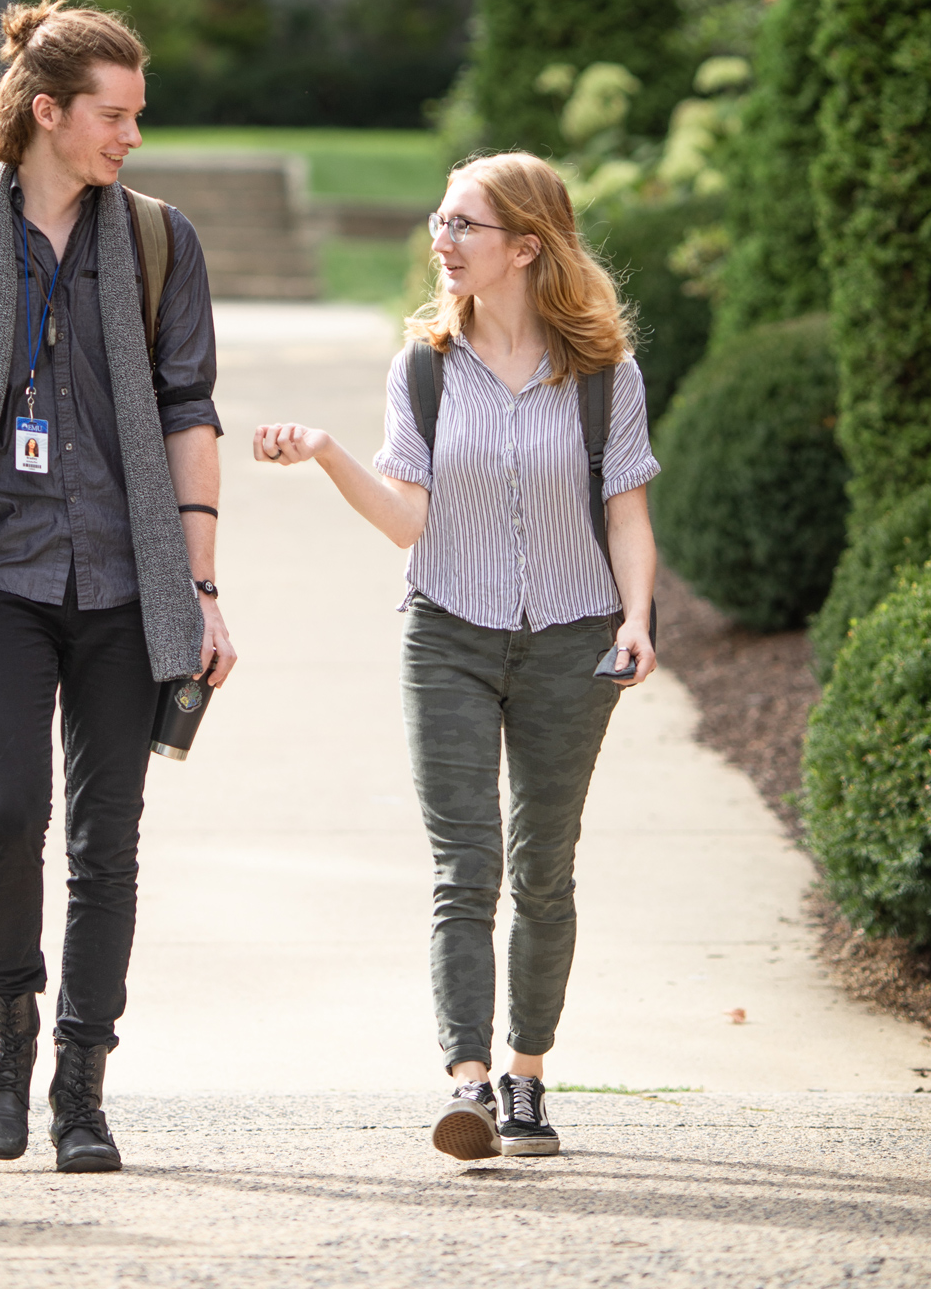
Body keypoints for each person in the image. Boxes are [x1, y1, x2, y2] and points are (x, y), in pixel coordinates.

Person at [0, 0, 235, 1174]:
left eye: (136, 116)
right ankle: (6, 1039)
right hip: (3, 576)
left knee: (108, 837)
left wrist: (200, 584)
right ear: (49, 113)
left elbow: (189, 408)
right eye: (115, 116)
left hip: (130, 582)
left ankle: (82, 1086)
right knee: (5, 818)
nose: (132, 136)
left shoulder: (156, 241)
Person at [253, 151, 658, 1163]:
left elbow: (628, 510)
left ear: (527, 246)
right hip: (449, 634)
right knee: (463, 867)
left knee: (545, 869)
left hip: (573, 637)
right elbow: (405, 519)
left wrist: (637, 619)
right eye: (439, 221)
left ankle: (527, 1078)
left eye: (465, 225)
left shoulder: (606, 374)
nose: (442, 240)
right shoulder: (424, 369)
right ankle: (467, 1084)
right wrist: (329, 454)